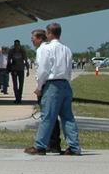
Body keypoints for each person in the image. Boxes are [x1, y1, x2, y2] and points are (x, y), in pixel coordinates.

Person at [27, 23, 80, 156]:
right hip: (65, 84)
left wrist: (39, 87)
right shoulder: (66, 49)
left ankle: (40, 146)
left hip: (53, 84)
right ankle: (74, 146)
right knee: (68, 117)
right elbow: (69, 69)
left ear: (49, 33)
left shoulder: (47, 49)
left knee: (48, 116)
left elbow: (43, 70)